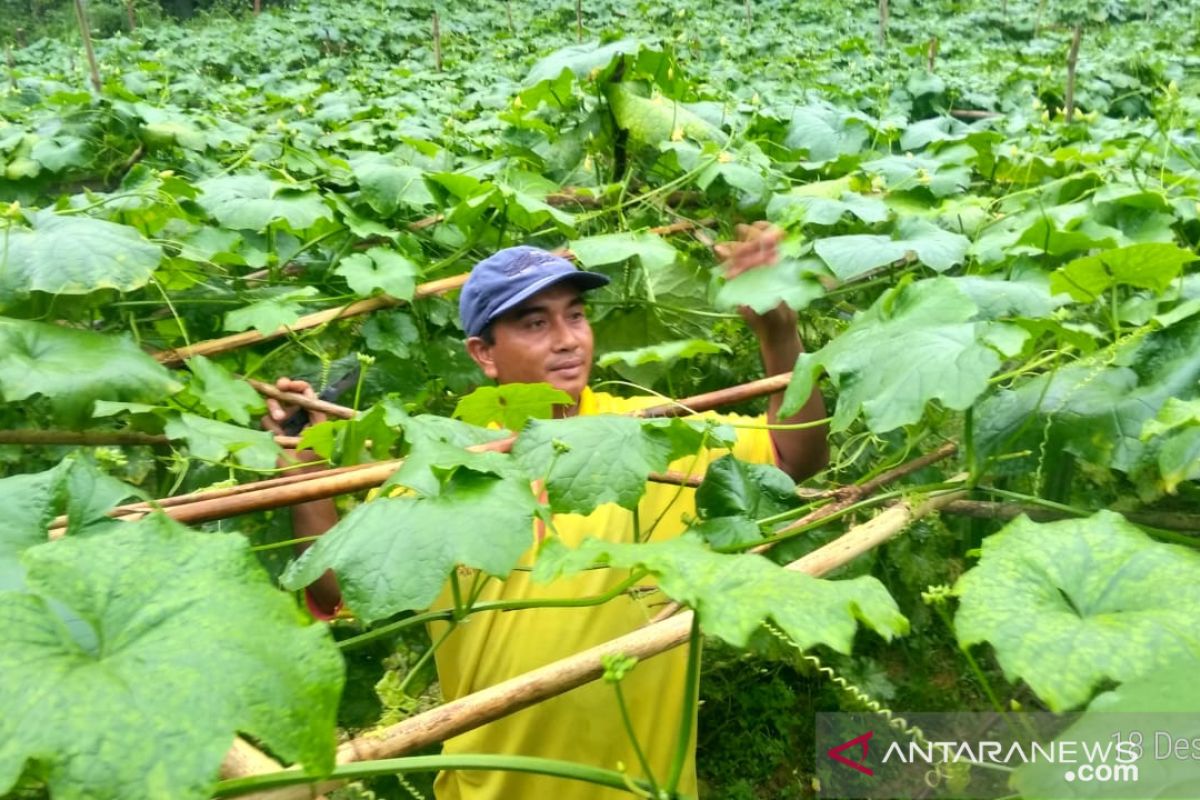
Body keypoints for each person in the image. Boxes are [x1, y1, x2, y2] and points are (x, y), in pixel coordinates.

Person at [264, 223, 828, 799]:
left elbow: (794, 454)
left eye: (576, 315)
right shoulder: (444, 467)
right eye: (535, 323)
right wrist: (307, 476)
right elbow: (333, 588)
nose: (567, 339)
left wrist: (779, 335)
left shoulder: (651, 434)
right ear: (483, 354)